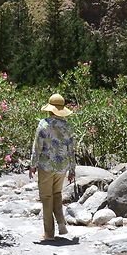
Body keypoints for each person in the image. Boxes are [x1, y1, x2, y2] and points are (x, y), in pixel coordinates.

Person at [29, 93, 76, 240]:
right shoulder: (67, 127)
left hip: (46, 166)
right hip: (62, 167)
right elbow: (71, 149)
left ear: (50, 109)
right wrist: (72, 169)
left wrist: (32, 165)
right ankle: (61, 223)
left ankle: (49, 233)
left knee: (46, 197)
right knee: (57, 195)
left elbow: (37, 147)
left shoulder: (43, 124)